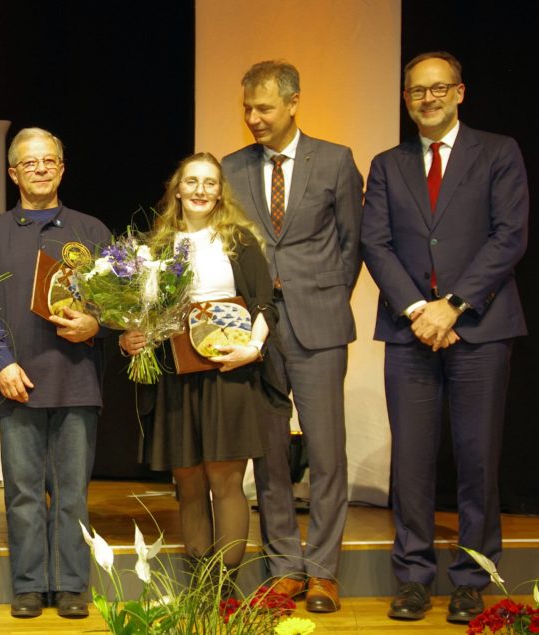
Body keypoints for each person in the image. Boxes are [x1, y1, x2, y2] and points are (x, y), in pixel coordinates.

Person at [361, 51, 528, 624]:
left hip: (479, 329)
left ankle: (472, 579)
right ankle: (412, 577)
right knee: (410, 462)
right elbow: (375, 243)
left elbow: (509, 237)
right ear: (406, 99)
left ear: (460, 92)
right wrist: (417, 310)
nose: (426, 99)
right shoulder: (387, 163)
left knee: (478, 459)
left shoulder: (498, 152)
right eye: (415, 92)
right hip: (410, 333)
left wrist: (451, 307)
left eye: (437, 89)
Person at [220, 60, 363, 613]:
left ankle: (324, 571)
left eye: (264, 108)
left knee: (327, 452)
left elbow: (352, 244)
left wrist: (323, 295)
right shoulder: (231, 167)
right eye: (247, 109)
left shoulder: (335, 160)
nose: (253, 118)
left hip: (320, 322)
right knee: (270, 454)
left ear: (293, 102)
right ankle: (283, 567)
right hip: (256, 330)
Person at [121, 152, 278, 593]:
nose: (200, 190)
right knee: (188, 482)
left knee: (225, 481)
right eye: (192, 181)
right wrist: (129, 337)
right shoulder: (153, 248)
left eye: (210, 183)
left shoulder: (238, 241)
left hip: (227, 372)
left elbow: (265, 304)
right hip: (174, 373)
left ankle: (224, 589)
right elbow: (138, 314)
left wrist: (252, 348)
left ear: (220, 191)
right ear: (177, 189)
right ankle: (199, 588)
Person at [0, 127, 111, 619]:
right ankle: (29, 585)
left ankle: (72, 585)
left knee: (72, 494)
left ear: (62, 167)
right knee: (23, 494)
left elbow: (118, 304)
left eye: (49, 160)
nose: (40, 169)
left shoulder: (92, 231)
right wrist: (1, 363)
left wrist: (97, 321)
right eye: (29, 163)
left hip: (76, 380)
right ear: (13, 172)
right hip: (17, 382)